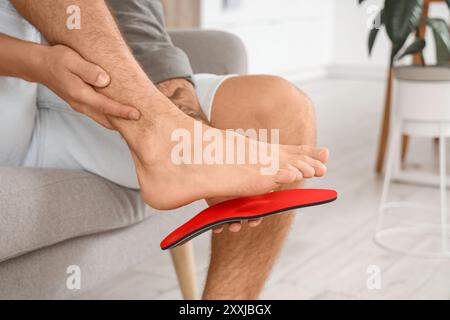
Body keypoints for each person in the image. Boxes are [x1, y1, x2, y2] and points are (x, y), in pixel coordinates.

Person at [0, 0, 328, 299]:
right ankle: (161, 147)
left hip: (69, 88)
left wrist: (188, 123)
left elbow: (132, 13)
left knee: (279, 112)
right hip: (15, 93)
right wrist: (36, 62)